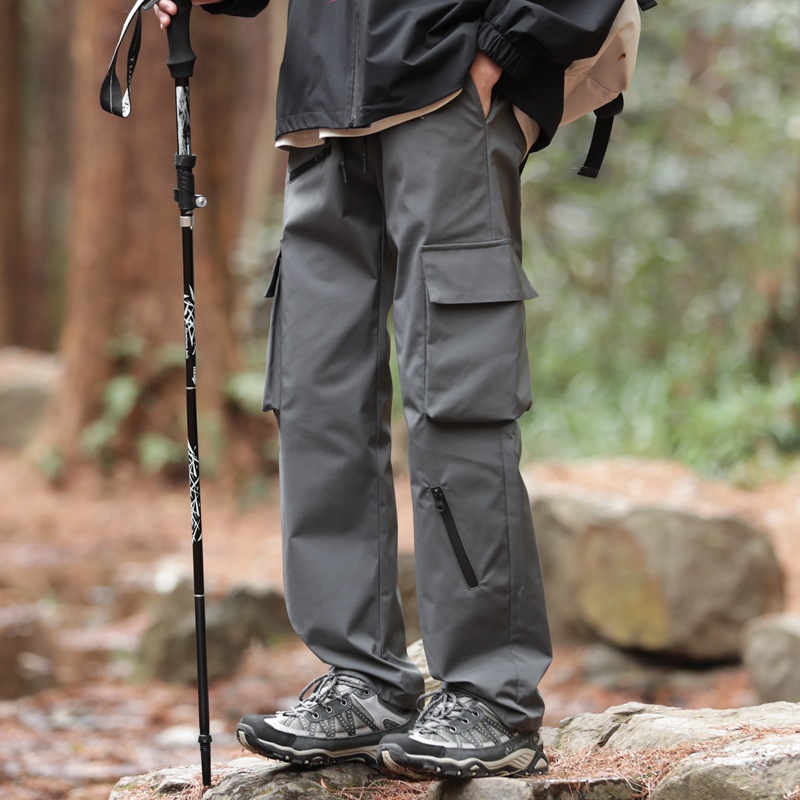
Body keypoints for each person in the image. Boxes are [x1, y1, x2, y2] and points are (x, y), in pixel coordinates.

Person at [156, 0, 623, 781]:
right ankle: (362, 679)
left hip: (447, 83)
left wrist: (504, 49)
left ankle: (491, 695)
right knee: (316, 396)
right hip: (321, 113)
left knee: (458, 394)